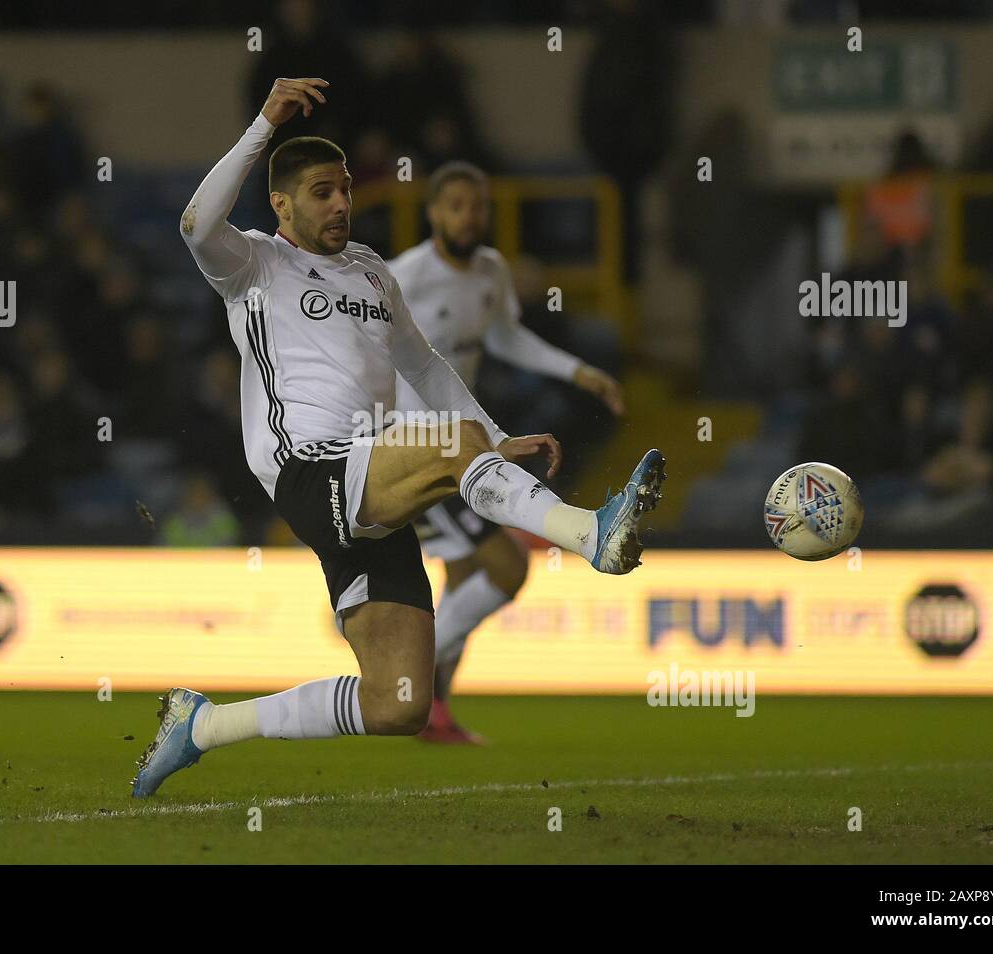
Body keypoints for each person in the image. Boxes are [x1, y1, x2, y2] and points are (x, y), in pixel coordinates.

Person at [131, 79, 665, 798]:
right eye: (322, 191)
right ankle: (588, 533)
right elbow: (196, 223)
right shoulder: (254, 264)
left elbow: (424, 364)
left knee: (399, 703)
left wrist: (495, 437)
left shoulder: (373, 272)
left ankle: (202, 727)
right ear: (282, 203)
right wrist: (264, 123)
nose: (342, 203)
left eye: (347, 188)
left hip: (371, 486)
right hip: (311, 472)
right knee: (451, 445)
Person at [389, 161, 624, 743]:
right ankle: (400, 675)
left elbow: (504, 336)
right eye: (458, 206)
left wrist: (577, 371)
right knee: (507, 567)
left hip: (462, 443)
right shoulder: (404, 277)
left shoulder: (491, 270)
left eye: (480, 206)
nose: (470, 217)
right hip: (420, 450)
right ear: (434, 213)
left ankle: (429, 712)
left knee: (465, 577)